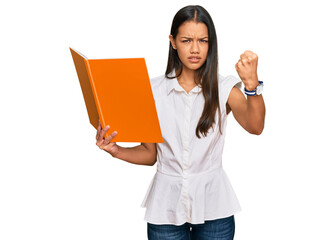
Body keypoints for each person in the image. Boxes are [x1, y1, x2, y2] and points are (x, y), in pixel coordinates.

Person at [95, 5, 265, 240]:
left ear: (210, 43)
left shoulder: (223, 87)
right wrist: (116, 150)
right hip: (166, 209)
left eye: (203, 41)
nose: (195, 49)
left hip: (215, 206)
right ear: (173, 42)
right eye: (186, 40)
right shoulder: (151, 91)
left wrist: (252, 86)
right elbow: (150, 154)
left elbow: (255, 127)